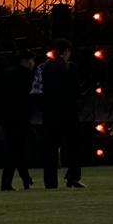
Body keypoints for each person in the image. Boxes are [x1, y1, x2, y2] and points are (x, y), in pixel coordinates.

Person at [0, 49, 36, 191]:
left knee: (16, 149)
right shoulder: (26, 76)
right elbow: (28, 99)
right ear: (25, 61)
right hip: (19, 117)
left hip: (6, 117)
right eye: (31, 60)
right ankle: (8, 182)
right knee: (16, 150)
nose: (33, 63)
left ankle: (25, 179)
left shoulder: (7, 73)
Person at [40, 40, 83, 188]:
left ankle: (50, 182)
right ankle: (73, 177)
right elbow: (76, 90)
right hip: (68, 111)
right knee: (73, 146)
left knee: (50, 149)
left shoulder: (42, 68)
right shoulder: (69, 67)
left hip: (48, 113)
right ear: (65, 52)